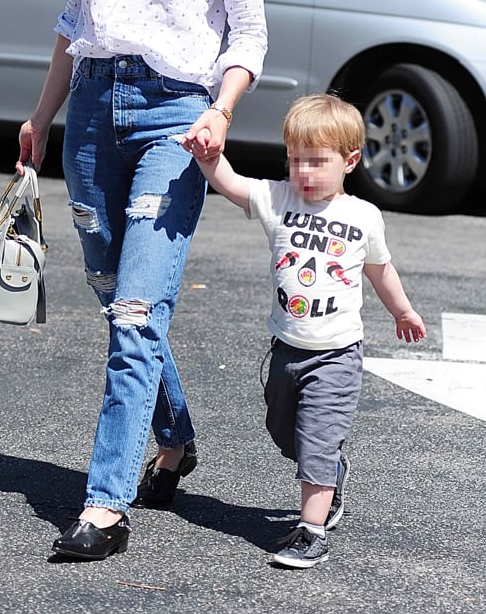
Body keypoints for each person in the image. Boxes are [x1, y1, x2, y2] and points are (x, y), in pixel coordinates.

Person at [16, 0, 267, 560]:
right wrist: (42, 114)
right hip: (91, 110)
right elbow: (76, 20)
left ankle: (103, 506)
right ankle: (175, 438)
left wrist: (220, 112)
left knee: (134, 313)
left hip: (176, 120)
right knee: (108, 286)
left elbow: (247, 39)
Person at [182, 92, 426, 569]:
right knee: (283, 430)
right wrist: (210, 158)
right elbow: (231, 184)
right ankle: (330, 470)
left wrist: (403, 312)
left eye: (318, 162)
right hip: (286, 350)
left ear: (350, 160)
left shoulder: (362, 218)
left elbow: (382, 271)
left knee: (316, 439)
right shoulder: (278, 198)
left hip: (337, 355)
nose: (305, 172)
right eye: (296, 160)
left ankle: (311, 530)